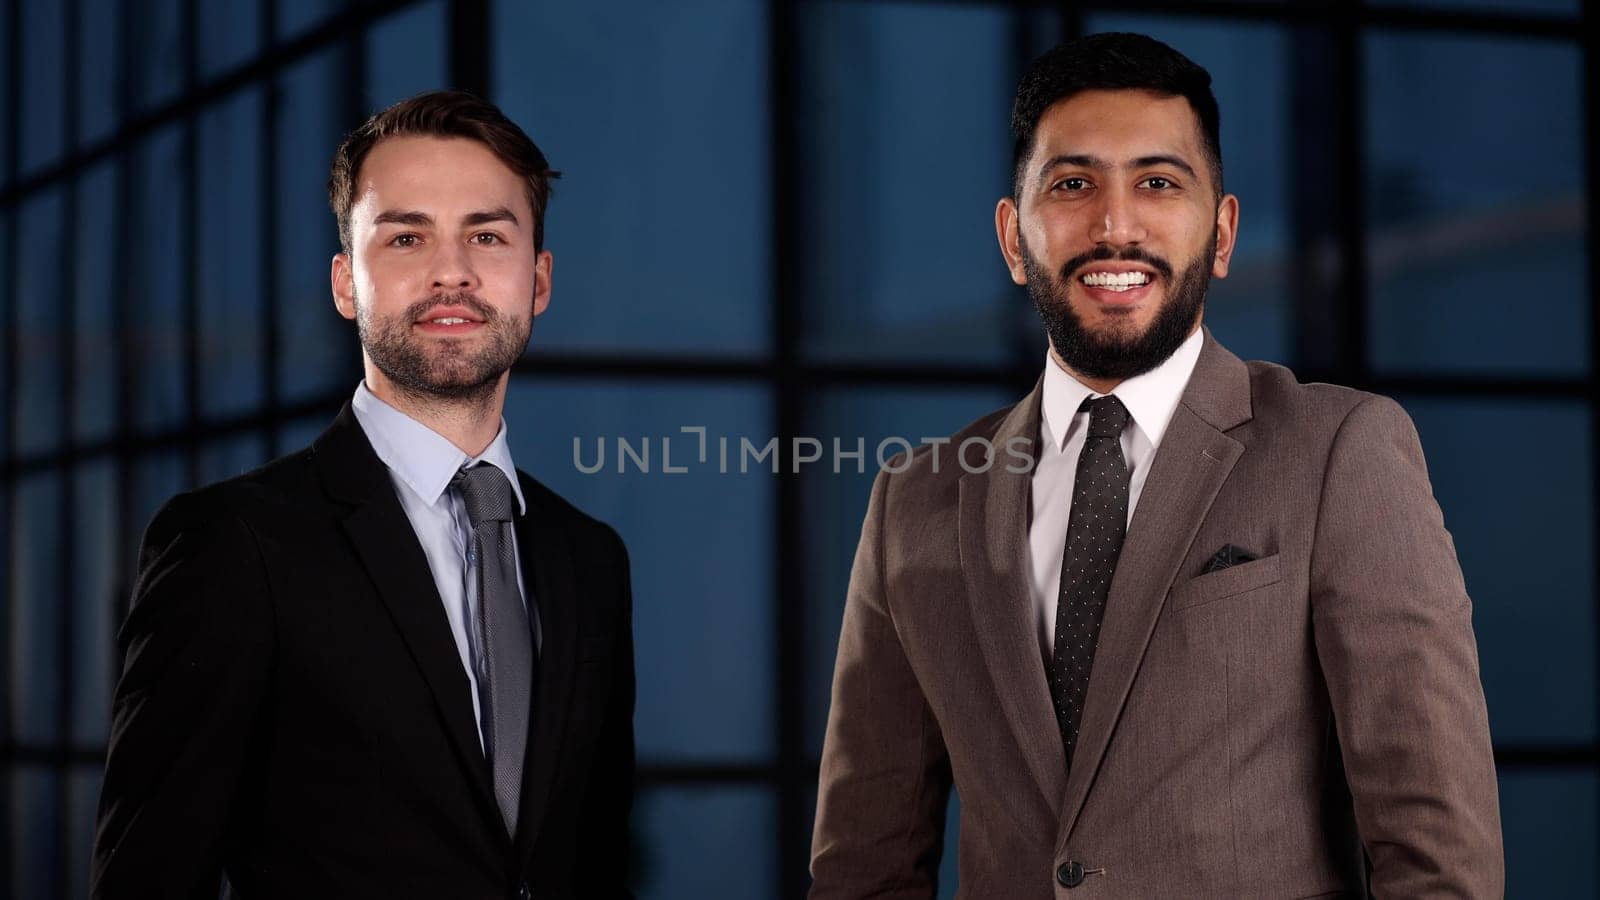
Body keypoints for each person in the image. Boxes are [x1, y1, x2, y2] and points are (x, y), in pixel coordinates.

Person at [810, 33, 1501, 898]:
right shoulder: (913, 501)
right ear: (1013, 238)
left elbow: (1438, 853)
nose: (1114, 226)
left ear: (1221, 232)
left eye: (1158, 183)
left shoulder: (1339, 453)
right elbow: (863, 867)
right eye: (1072, 185)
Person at [91, 90, 634, 899]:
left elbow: (594, 865)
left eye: (486, 235)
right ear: (347, 282)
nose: (451, 270)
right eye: (407, 236)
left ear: (539, 279)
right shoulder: (231, 544)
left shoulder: (588, 558)